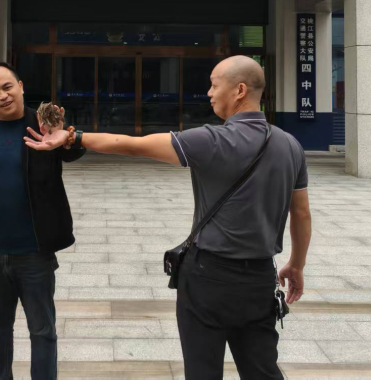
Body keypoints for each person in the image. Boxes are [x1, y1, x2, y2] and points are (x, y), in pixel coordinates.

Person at [24, 55, 312, 380]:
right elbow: (301, 213)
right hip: (259, 279)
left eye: (214, 85)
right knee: (262, 371)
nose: (209, 93)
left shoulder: (210, 140)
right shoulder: (290, 145)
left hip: (208, 276)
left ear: (240, 90)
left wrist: (72, 137)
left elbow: (134, 145)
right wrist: (296, 264)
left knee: (202, 371)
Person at [0, 61, 86, 380]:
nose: (2, 95)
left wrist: (66, 136)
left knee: (42, 329)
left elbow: (71, 153)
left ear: (21, 86)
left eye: (7, 87)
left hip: (35, 252)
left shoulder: (42, 126)